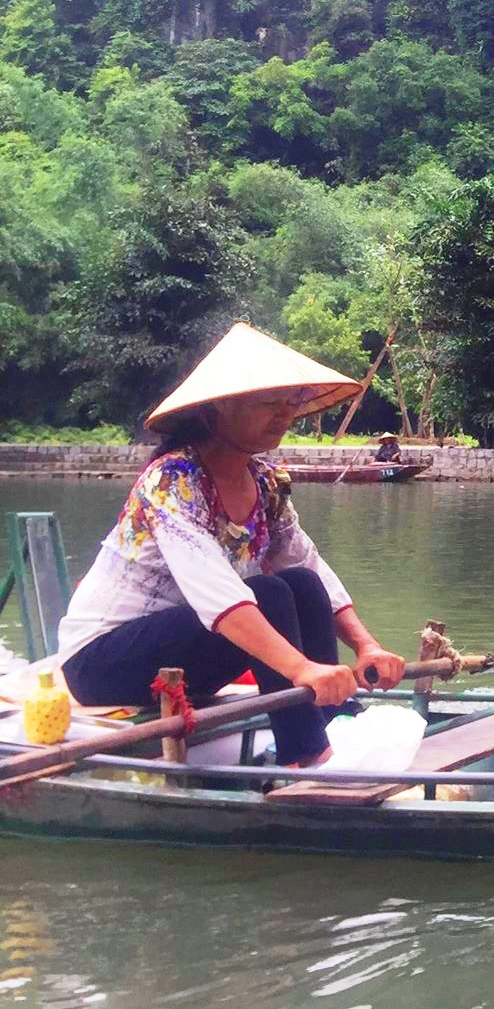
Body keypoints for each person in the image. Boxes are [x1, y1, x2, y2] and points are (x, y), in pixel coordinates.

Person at [52, 323, 407, 768]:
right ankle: (307, 756)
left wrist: (366, 647)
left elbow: (310, 565)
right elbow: (217, 595)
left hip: (185, 653)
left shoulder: (265, 483)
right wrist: (302, 669)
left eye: (291, 403)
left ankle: (332, 720)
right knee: (268, 593)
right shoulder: (172, 480)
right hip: (101, 664)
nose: (284, 416)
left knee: (299, 582)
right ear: (220, 406)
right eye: (269, 404)